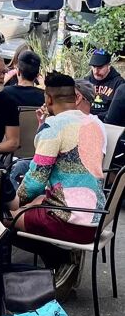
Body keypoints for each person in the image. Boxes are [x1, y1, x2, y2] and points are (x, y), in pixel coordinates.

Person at [12, 72, 105, 287]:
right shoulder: (92, 124)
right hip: (95, 217)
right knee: (29, 205)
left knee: (4, 217)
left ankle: (59, 260)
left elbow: (34, 183)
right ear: (75, 97)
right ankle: (60, 262)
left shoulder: (54, 128)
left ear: (48, 99)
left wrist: (15, 201)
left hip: (69, 221)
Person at [86, 49, 124, 120]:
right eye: (94, 67)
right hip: (87, 121)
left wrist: (97, 118)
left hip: (108, 122)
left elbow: (117, 111)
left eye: (100, 67)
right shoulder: (86, 81)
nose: (96, 71)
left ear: (109, 66)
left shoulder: (119, 84)